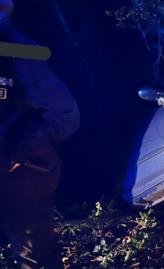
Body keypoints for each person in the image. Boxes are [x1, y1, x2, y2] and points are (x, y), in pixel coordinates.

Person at [0, 0, 80, 267]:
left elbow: (64, 112)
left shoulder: (17, 49)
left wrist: (34, 140)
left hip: (21, 165)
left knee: (32, 247)